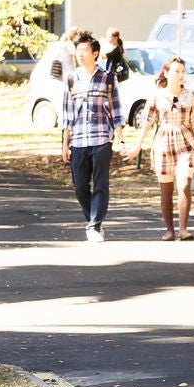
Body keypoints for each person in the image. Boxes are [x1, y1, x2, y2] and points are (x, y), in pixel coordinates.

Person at [131, 57, 194, 241]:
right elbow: (147, 124)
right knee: (166, 188)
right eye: (176, 71)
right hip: (163, 143)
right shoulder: (156, 97)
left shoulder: (191, 96)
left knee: (184, 182)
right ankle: (169, 230)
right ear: (166, 73)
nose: (180, 75)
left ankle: (183, 229)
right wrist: (136, 146)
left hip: (185, 141)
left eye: (183, 71)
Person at [61, 29, 124, 244]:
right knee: (80, 187)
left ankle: (94, 225)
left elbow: (116, 110)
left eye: (85, 50)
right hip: (78, 140)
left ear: (95, 53)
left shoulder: (107, 78)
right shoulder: (71, 79)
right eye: (78, 50)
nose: (81, 54)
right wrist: (64, 144)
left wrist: (120, 137)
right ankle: (93, 221)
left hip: (101, 138)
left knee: (100, 184)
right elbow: (67, 113)